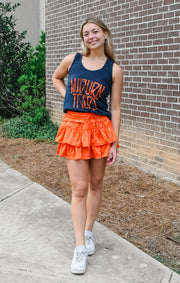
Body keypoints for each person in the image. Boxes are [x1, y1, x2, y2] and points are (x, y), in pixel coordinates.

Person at [52, 17, 123, 275]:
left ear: (105, 34)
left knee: (95, 184)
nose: (90, 36)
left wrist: (115, 141)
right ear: (83, 38)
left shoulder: (114, 70)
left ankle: (89, 231)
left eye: (95, 32)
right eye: (86, 33)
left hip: (100, 130)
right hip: (74, 127)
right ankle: (80, 248)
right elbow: (56, 78)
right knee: (79, 188)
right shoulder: (73, 60)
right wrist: (67, 95)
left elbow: (114, 107)